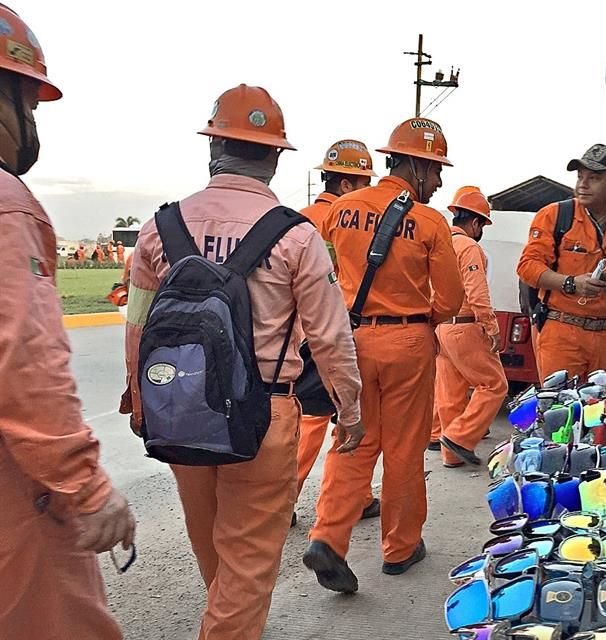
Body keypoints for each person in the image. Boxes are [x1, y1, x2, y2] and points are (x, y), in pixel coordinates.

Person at [123, 84, 364, 639]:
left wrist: (140, 399)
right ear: (275, 158)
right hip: (263, 417)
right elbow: (330, 337)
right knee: (247, 568)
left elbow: (136, 324)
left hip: (179, 408)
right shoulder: (298, 236)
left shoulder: (159, 228)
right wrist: (349, 409)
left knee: (217, 558)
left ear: (212, 149)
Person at [0, 6, 135, 637]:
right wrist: (85, 487)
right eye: (28, 104)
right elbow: (25, 365)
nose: (29, 123)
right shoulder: (7, 208)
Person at [304, 117, 463, 593]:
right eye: (435, 171)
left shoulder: (340, 209)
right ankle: (399, 547)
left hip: (352, 342)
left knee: (352, 439)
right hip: (407, 343)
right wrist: (417, 317)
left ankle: (328, 538)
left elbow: (311, 262)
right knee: (403, 449)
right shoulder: (431, 222)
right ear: (415, 166)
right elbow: (451, 301)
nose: (437, 182)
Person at [294, 139, 379, 525]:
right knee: (335, 418)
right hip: (340, 329)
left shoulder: (297, 217)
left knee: (312, 418)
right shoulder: (356, 220)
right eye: (362, 182)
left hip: (299, 333)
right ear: (346, 184)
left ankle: (356, 497)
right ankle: (290, 500)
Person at [517, 144, 606, 382]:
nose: (583, 184)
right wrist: (570, 283)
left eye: (594, 178)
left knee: (604, 414)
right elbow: (527, 267)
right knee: (558, 411)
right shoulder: (555, 216)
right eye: (580, 177)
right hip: (562, 331)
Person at [435, 187, 509, 469]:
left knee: (450, 392)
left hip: (440, 327)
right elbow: (477, 292)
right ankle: (458, 438)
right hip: (464, 326)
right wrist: (491, 327)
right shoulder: (469, 248)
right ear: (476, 223)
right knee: (494, 384)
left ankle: (451, 454)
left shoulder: (440, 244)